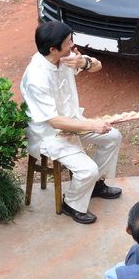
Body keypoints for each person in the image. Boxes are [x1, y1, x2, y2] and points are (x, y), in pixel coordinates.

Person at [20, 21, 123, 225]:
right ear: (53, 49)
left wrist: (83, 62)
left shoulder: (65, 57)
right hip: (49, 134)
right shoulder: (36, 77)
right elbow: (54, 121)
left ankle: (95, 185)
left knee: (113, 137)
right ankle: (72, 203)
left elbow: (98, 66)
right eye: (68, 42)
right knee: (88, 169)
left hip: (73, 121)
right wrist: (93, 125)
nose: (73, 45)